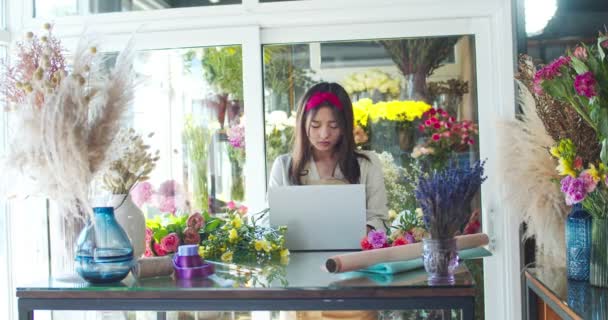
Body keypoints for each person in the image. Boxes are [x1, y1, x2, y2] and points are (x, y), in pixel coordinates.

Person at [268, 82, 388, 232]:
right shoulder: (283, 166)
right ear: (302, 124)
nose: (324, 134)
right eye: (315, 125)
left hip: (352, 253)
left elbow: (379, 220)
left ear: (345, 126)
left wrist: (358, 232)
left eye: (334, 126)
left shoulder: (366, 164)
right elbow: (270, 221)